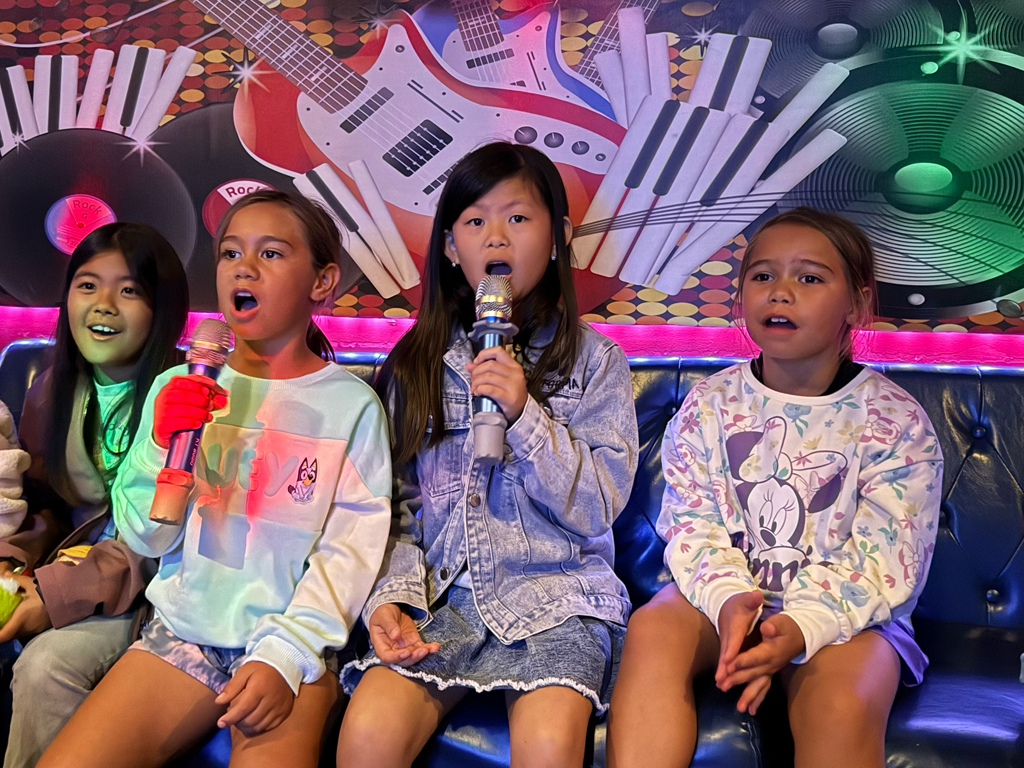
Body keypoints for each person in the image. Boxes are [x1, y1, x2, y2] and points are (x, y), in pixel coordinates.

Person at [39, 190, 392, 768]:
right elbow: (147, 539)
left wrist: (286, 653)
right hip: (183, 632)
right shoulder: (178, 384)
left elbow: (347, 553)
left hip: (290, 647)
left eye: (271, 254)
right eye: (230, 253)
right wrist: (161, 445)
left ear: (323, 281)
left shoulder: (349, 407)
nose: (244, 269)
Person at [336, 142, 639, 768]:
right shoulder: (413, 365)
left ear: (557, 238)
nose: (495, 235)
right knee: (366, 736)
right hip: (441, 603)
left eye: (518, 218)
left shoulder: (597, 362)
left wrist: (525, 416)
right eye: (475, 221)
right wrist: (389, 597)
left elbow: (598, 506)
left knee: (549, 747)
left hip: (558, 601)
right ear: (451, 248)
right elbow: (393, 507)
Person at [607, 207, 944, 768]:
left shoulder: (893, 419)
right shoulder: (710, 405)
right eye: (762, 276)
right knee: (653, 630)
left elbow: (888, 558)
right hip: (727, 599)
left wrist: (800, 625)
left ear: (857, 303)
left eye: (809, 278)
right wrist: (730, 601)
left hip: (847, 616)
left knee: (839, 705)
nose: (780, 293)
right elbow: (692, 524)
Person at [1, 223, 188, 768]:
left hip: (154, 590)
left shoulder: (190, 394)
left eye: (128, 290)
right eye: (87, 285)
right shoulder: (52, 387)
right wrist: (13, 565)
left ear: (163, 307)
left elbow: (155, 540)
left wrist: (56, 593)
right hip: (70, 570)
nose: (102, 305)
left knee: (46, 666)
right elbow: (42, 507)